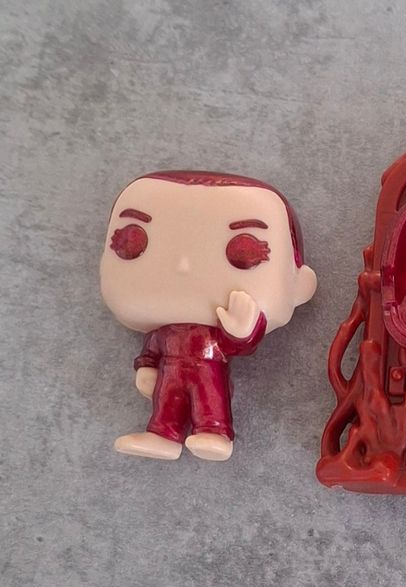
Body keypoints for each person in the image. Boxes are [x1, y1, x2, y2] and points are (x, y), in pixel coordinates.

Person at [99, 171, 317, 461]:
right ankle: (162, 437)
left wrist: (241, 330)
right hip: (170, 371)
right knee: (165, 404)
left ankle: (214, 432)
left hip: (208, 369)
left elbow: (235, 345)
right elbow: (151, 347)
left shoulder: (213, 327)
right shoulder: (162, 331)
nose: (183, 265)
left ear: (301, 284)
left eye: (243, 252)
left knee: (209, 398)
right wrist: (147, 367)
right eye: (133, 241)